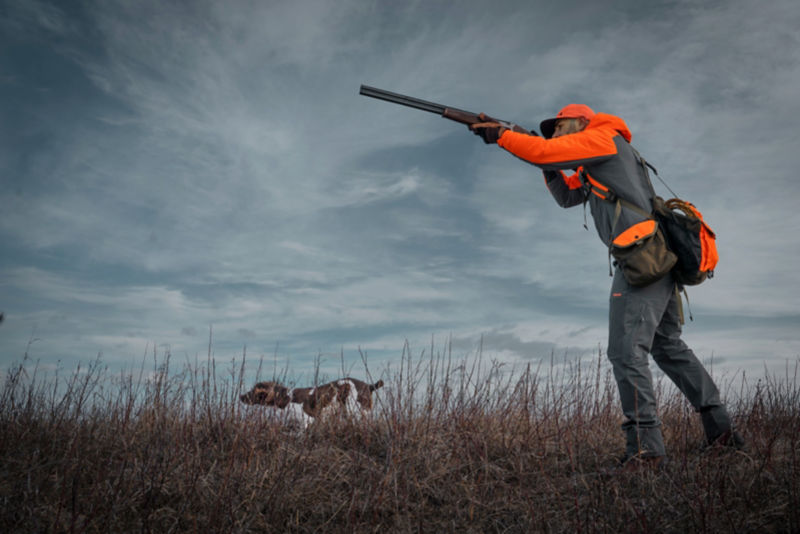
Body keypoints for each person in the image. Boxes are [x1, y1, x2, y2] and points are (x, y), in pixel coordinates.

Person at [470, 105, 743, 468]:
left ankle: (646, 452)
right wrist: (544, 162)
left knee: (626, 351)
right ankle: (721, 432)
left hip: (642, 260)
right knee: (666, 347)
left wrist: (503, 136)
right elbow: (567, 197)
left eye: (560, 126)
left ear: (582, 121)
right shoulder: (596, 162)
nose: (554, 134)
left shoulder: (603, 139)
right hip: (655, 259)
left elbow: (543, 152)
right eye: (550, 131)